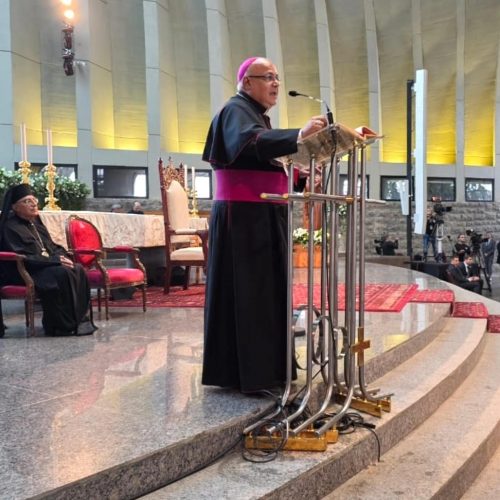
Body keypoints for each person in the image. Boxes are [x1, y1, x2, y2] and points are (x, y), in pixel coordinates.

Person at [201, 56, 328, 393]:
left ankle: (267, 370)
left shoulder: (256, 116)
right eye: (268, 77)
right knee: (251, 295)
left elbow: (264, 163)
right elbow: (251, 143)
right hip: (243, 219)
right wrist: (298, 135)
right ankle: (249, 374)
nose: (276, 83)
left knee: (266, 294)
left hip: (263, 215)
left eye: (277, 77)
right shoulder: (235, 110)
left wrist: (300, 175)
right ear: (247, 82)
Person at [0, 184, 97, 336]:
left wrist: (63, 257)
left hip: (44, 267)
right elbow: (23, 257)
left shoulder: (36, 224)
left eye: (34, 200)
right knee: (62, 274)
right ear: (15, 207)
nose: (33, 204)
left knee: (77, 269)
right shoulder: (10, 227)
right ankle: (60, 325)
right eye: (27, 201)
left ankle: (79, 321)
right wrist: (55, 260)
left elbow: (51, 247)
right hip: (25, 271)